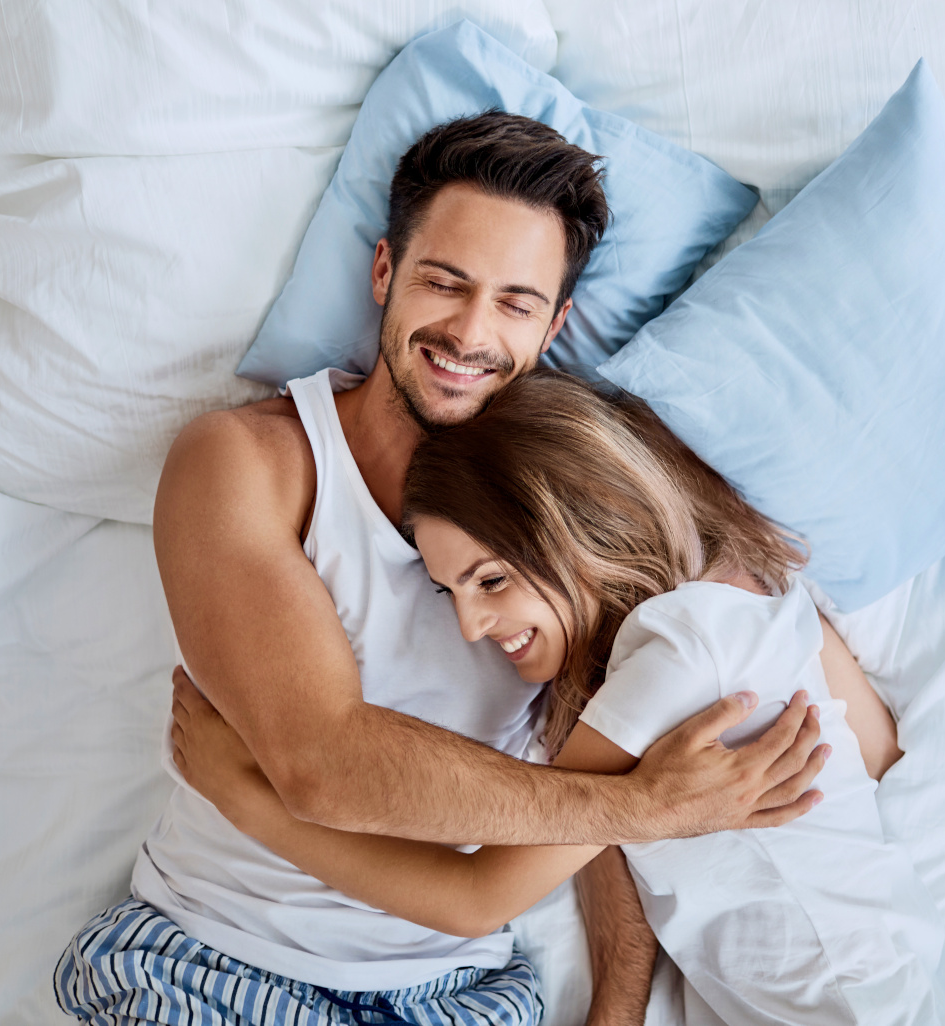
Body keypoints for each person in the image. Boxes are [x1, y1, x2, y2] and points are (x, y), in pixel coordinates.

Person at [55, 112, 825, 1026]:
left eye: (514, 302)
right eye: (443, 282)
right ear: (384, 273)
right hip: (221, 963)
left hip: (456, 995)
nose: (469, 331)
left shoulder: (578, 512)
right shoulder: (251, 464)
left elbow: (600, 761)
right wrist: (642, 807)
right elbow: (322, 763)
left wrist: (615, 1004)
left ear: (553, 325)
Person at [170, 370, 945, 1026]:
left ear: (580, 524)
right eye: (451, 591)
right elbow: (874, 751)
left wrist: (247, 800)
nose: (474, 625)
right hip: (912, 985)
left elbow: (480, 895)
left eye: (491, 580)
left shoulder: (680, 652)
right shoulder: (753, 608)